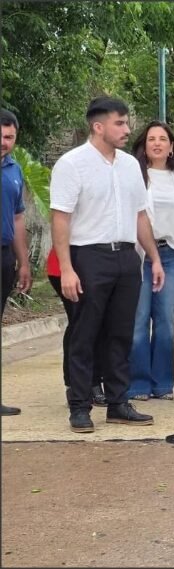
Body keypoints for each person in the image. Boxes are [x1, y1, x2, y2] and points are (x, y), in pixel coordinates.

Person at [50, 96, 163, 433]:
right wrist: (67, 269)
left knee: (120, 333)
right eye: (120, 123)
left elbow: (140, 214)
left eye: (127, 123)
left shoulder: (130, 165)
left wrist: (154, 258)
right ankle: (80, 407)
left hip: (127, 257)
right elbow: (61, 218)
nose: (127, 129)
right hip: (88, 257)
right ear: (98, 127)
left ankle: (118, 402)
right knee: (86, 334)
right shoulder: (72, 164)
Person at [126, 121, 174, 401]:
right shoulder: (134, 174)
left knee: (165, 321)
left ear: (171, 146)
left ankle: (163, 383)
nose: (157, 143)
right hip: (140, 256)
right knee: (139, 320)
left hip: (170, 254)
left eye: (163, 139)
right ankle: (137, 384)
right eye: (152, 139)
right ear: (144, 144)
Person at [47, 248, 107, 407]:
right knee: (81, 324)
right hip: (68, 268)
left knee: (96, 325)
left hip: (95, 265)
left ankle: (90, 382)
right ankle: (78, 385)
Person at [0, 109, 30, 417]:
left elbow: (18, 218)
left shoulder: (14, 170)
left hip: (4, 254)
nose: (4, 142)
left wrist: (23, 261)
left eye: (9, 137)